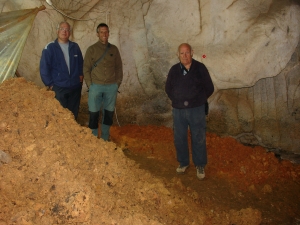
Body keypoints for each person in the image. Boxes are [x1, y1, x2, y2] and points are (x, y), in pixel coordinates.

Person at [165, 43, 214, 180]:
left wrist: (198, 100)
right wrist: (177, 100)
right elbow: (168, 88)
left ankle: (199, 164)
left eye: (187, 53)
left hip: (196, 109)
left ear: (192, 52)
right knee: (179, 137)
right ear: (178, 55)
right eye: (182, 53)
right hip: (179, 110)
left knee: (198, 136)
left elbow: (209, 87)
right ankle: (183, 162)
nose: (185, 56)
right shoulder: (174, 70)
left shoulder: (200, 68)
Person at [83, 23, 123, 141]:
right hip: (96, 86)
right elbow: (86, 69)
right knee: (94, 114)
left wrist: (117, 84)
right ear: (97, 34)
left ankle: (105, 137)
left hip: (111, 87)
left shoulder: (114, 49)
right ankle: (94, 138)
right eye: (101, 32)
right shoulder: (92, 50)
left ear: (109, 34)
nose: (104, 34)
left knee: (108, 113)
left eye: (106, 32)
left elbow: (119, 68)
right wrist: (90, 85)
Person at [40, 21, 83, 120]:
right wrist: (50, 84)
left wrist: (80, 76)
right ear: (57, 31)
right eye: (62, 29)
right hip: (59, 88)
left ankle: (72, 134)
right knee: (60, 115)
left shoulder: (75, 47)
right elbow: (44, 68)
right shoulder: (49, 48)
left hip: (75, 87)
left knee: (73, 115)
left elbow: (81, 63)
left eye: (67, 30)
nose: (64, 31)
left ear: (70, 33)